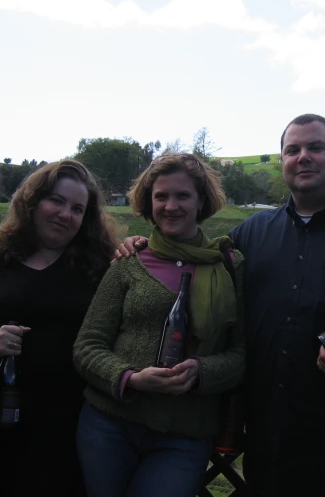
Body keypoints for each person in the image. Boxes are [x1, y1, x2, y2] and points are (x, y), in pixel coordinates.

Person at [120, 114, 325, 496]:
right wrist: (140, 248)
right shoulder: (250, 234)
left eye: (316, 147)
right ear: (282, 162)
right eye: (292, 150)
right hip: (268, 435)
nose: (303, 157)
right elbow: (193, 265)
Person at [0, 159, 119, 497]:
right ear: (32, 202)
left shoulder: (98, 268)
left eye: (77, 208)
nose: (65, 213)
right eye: (57, 201)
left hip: (58, 430)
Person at [73, 153, 245, 497]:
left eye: (182, 195)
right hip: (108, 425)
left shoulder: (229, 265)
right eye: (161, 196)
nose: (171, 205)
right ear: (149, 203)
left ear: (201, 202)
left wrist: (201, 370)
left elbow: (242, 353)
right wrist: (129, 378)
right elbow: (87, 345)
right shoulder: (128, 261)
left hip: (184, 435)